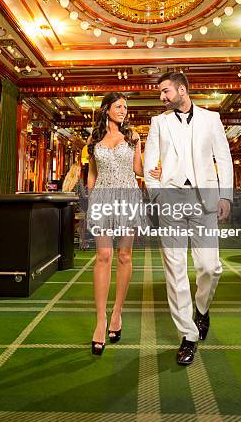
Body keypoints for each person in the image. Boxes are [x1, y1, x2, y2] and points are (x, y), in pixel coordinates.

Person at [144, 72, 233, 366]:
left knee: (210, 266)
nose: (162, 97)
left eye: (166, 91)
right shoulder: (159, 123)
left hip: (204, 200)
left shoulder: (211, 119)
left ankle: (202, 308)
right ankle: (188, 335)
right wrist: (156, 195)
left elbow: (224, 157)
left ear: (182, 90)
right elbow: (149, 163)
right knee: (175, 268)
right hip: (170, 199)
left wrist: (226, 196)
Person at [86, 92, 159, 355]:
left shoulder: (133, 137)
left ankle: (117, 313)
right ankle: (101, 320)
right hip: (102, 199)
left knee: (124, 256)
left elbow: (139, 170)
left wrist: (155, 170)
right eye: (118, 106)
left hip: (128, 197)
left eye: (125, 107)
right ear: (106, 109)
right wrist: (89, 205)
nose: (124, 110)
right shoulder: (93, 140)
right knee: (103, 255)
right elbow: (92, 174)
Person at [62, 163, 88, 249]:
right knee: (85, 217)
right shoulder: (79, 180)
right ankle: (82, 241)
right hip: (75, 208)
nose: (80, 172)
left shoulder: (66, 181)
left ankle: (68, 239)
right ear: (77, 171)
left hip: (66, 208)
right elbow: (83, 196)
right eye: (79, 170)